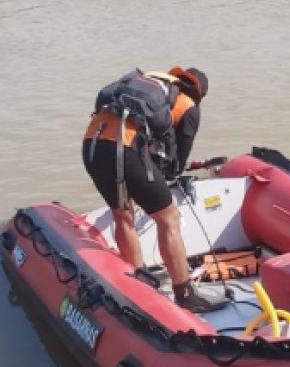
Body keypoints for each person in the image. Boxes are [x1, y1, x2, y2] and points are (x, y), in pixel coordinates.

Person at [83, 67, 227, 312]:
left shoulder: (150, 85)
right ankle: (185, 294)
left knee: (123, 216)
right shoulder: (189, 105)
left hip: (93, 143)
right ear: (200, 94)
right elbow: (175, 167)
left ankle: (139, 285)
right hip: (124, 148)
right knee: (169, 218)